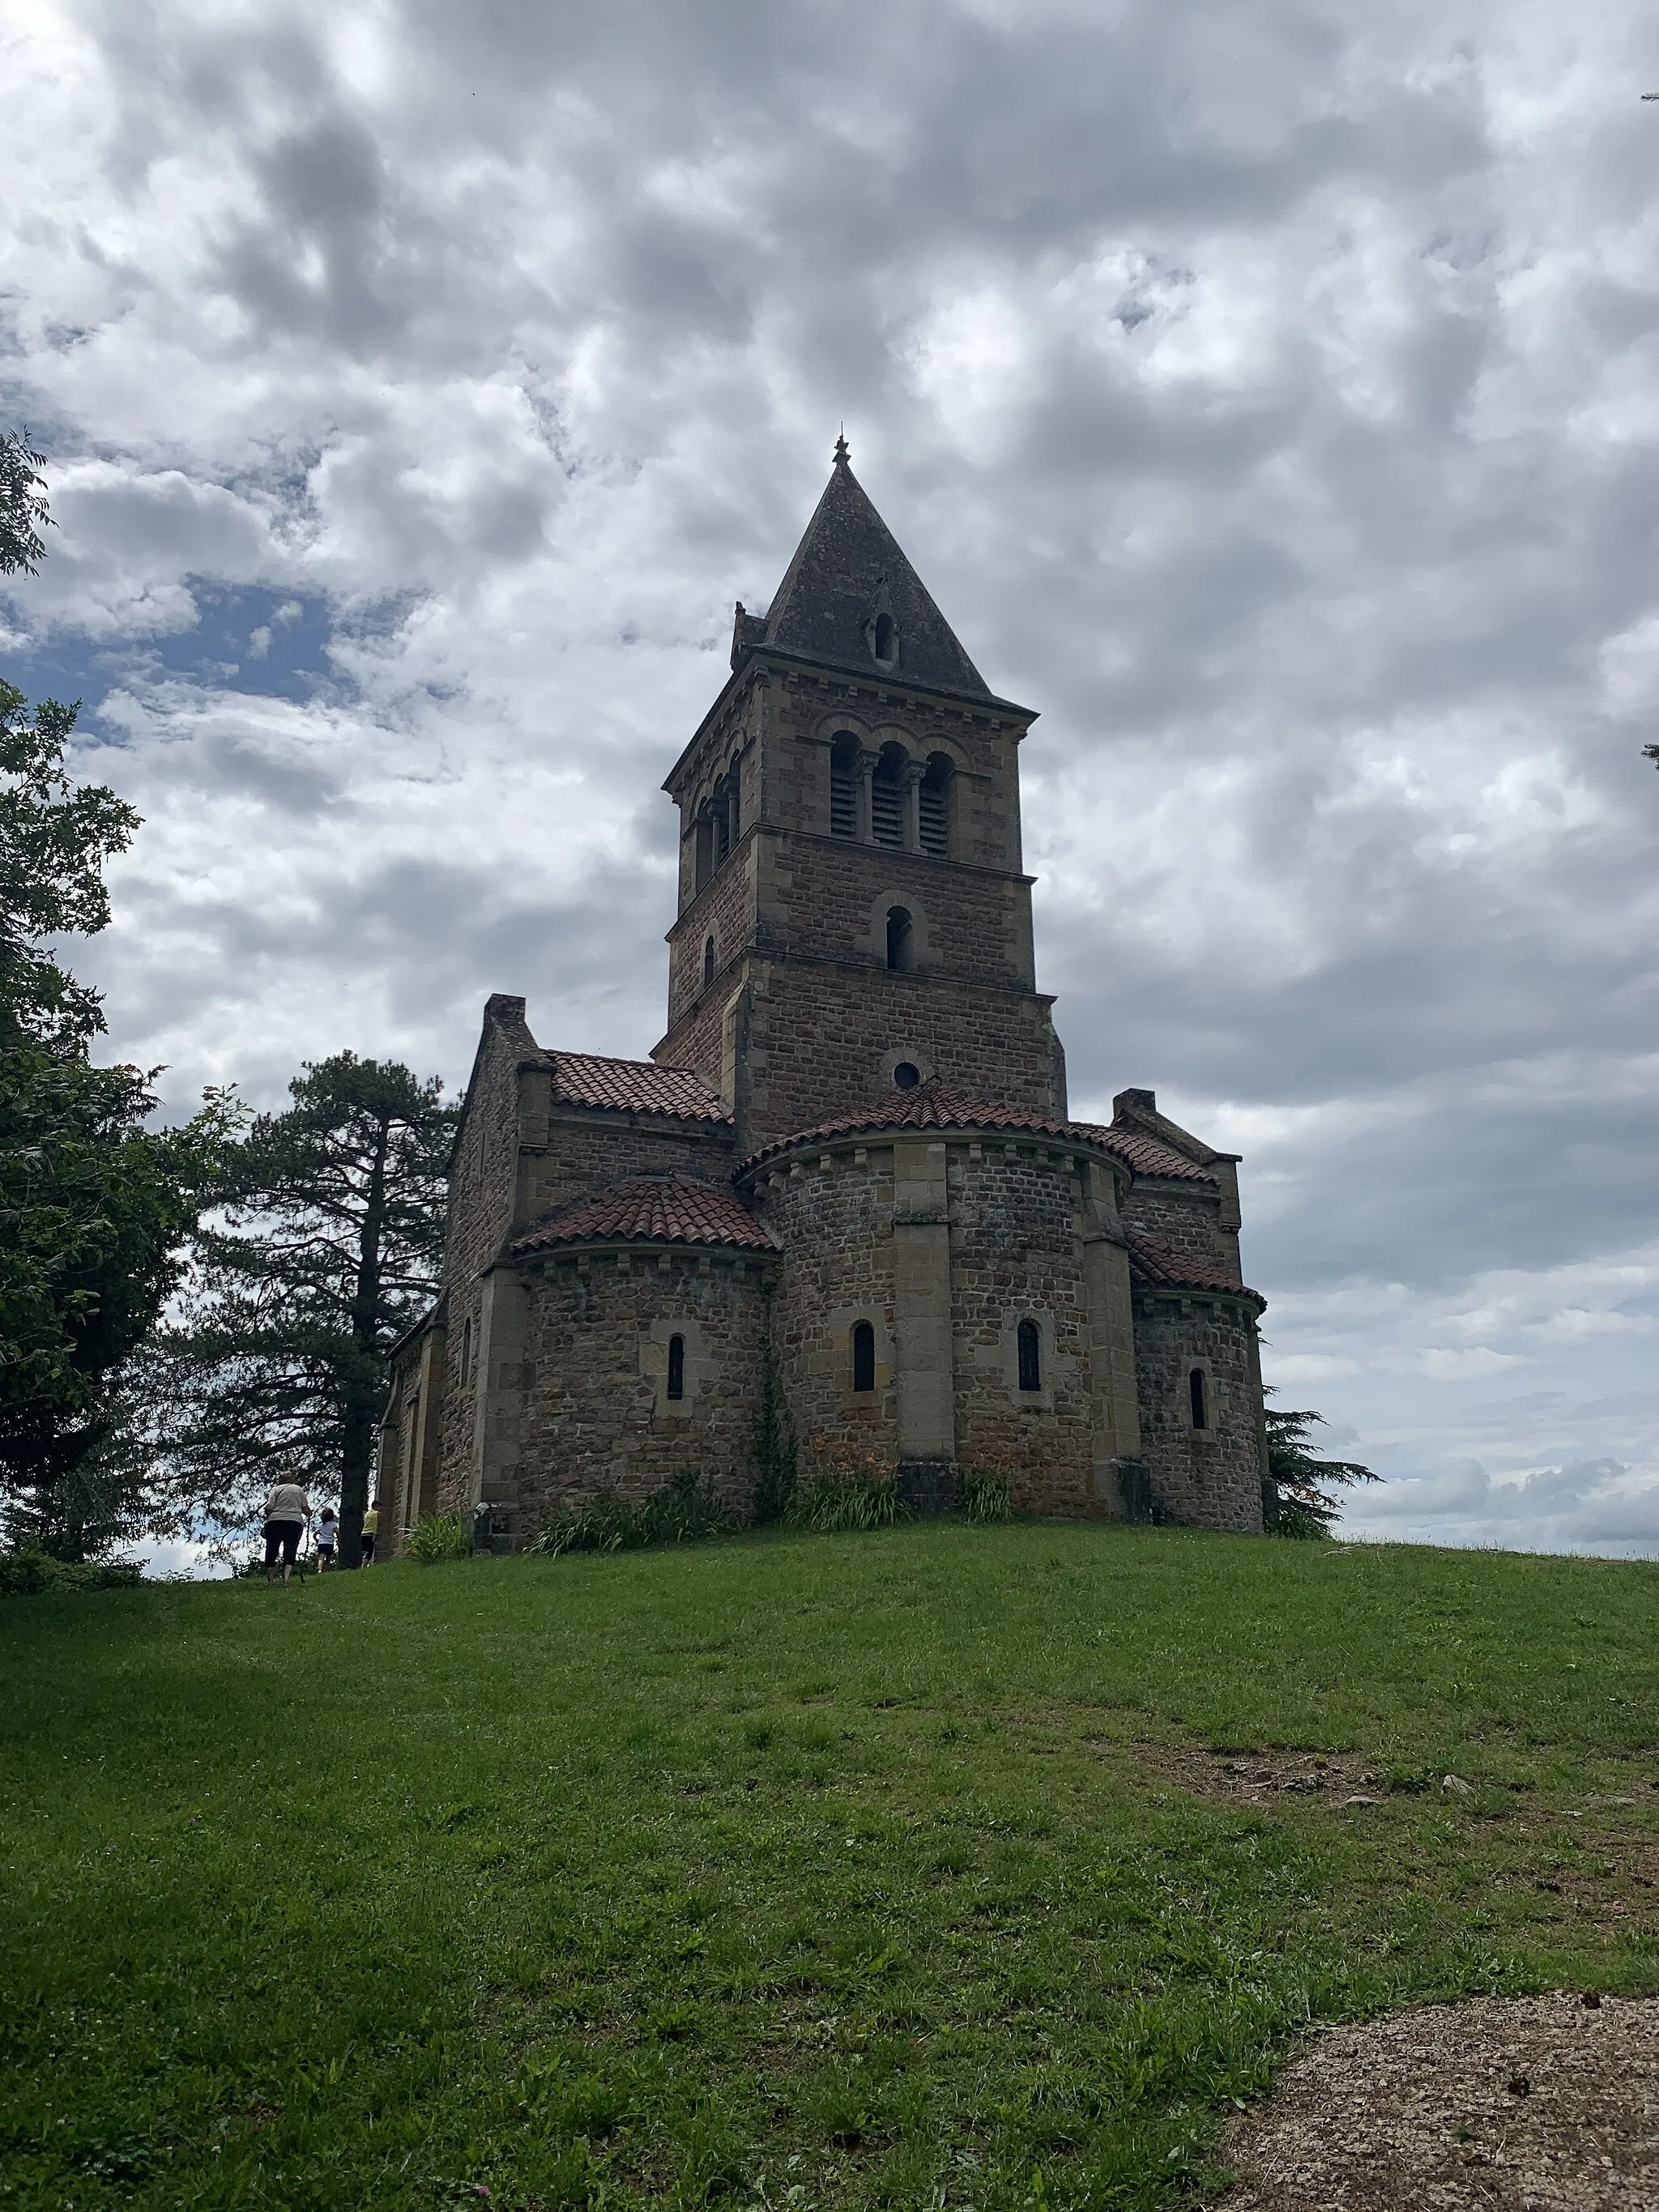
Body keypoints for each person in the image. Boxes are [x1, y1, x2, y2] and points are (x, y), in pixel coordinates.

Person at [262, 1475, 310, 1586]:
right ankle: (286, 1579)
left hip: (275, 1521)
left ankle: (271, 1581)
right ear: (292, 1479)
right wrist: (309, 1513)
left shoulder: (275, 1490)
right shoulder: (298, 1489)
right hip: (294, 1521)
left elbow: (269, 1507)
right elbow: (305, 1508)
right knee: (290, 1548)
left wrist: (268, 1518)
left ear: (280, 1479)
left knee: (272, 1549)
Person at [315, 1506, 339, 1571]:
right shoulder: (333, 1525)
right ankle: (327, 1570)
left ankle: (319, 1570)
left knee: (321, 1558)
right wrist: (338, 1538)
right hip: (330, 1543)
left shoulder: (320, 1525)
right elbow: (337, 1532)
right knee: (328, 1558)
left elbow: (315, 1534)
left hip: (321, 1543)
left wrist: (317, 1540)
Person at [360, 1497, 381, 1566]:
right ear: (376, 1505)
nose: (380, 1508)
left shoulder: (367, 1514)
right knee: (369, 1553)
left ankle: (366, 1565)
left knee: (365, 1551)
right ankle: (364, 1566)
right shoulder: (376, 1513)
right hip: (370, 1534)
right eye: (379, 1506)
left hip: (363, 1534)